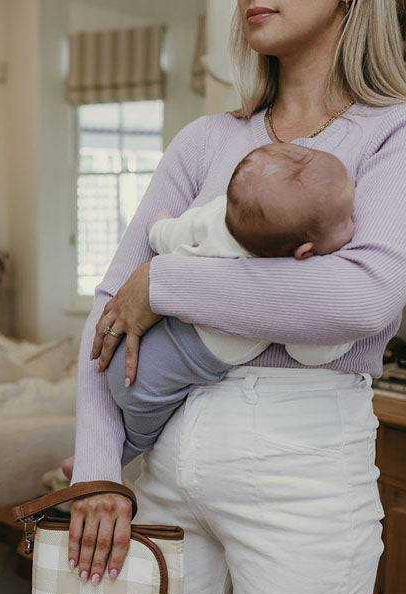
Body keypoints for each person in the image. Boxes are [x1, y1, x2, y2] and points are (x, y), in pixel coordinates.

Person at [66, 1, 406, 594]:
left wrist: (167, 279)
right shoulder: (206, 139)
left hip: (305, 471)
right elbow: (109, 313)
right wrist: (101, 471)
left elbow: (361, 300)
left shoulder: (393, 134)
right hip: (164, 467)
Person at [107, 142, 357, 466]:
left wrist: (157, 226)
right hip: (154, 379)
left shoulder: (216, 216)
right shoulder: (288, 294)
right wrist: (347, 336)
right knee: (141, 436)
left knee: (121, 426)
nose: (356, 217)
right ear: (305, 252)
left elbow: (173, 234)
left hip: (135, 347)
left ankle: (98, 454)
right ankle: (119, 456)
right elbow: (307, 350)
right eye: (347, 218)